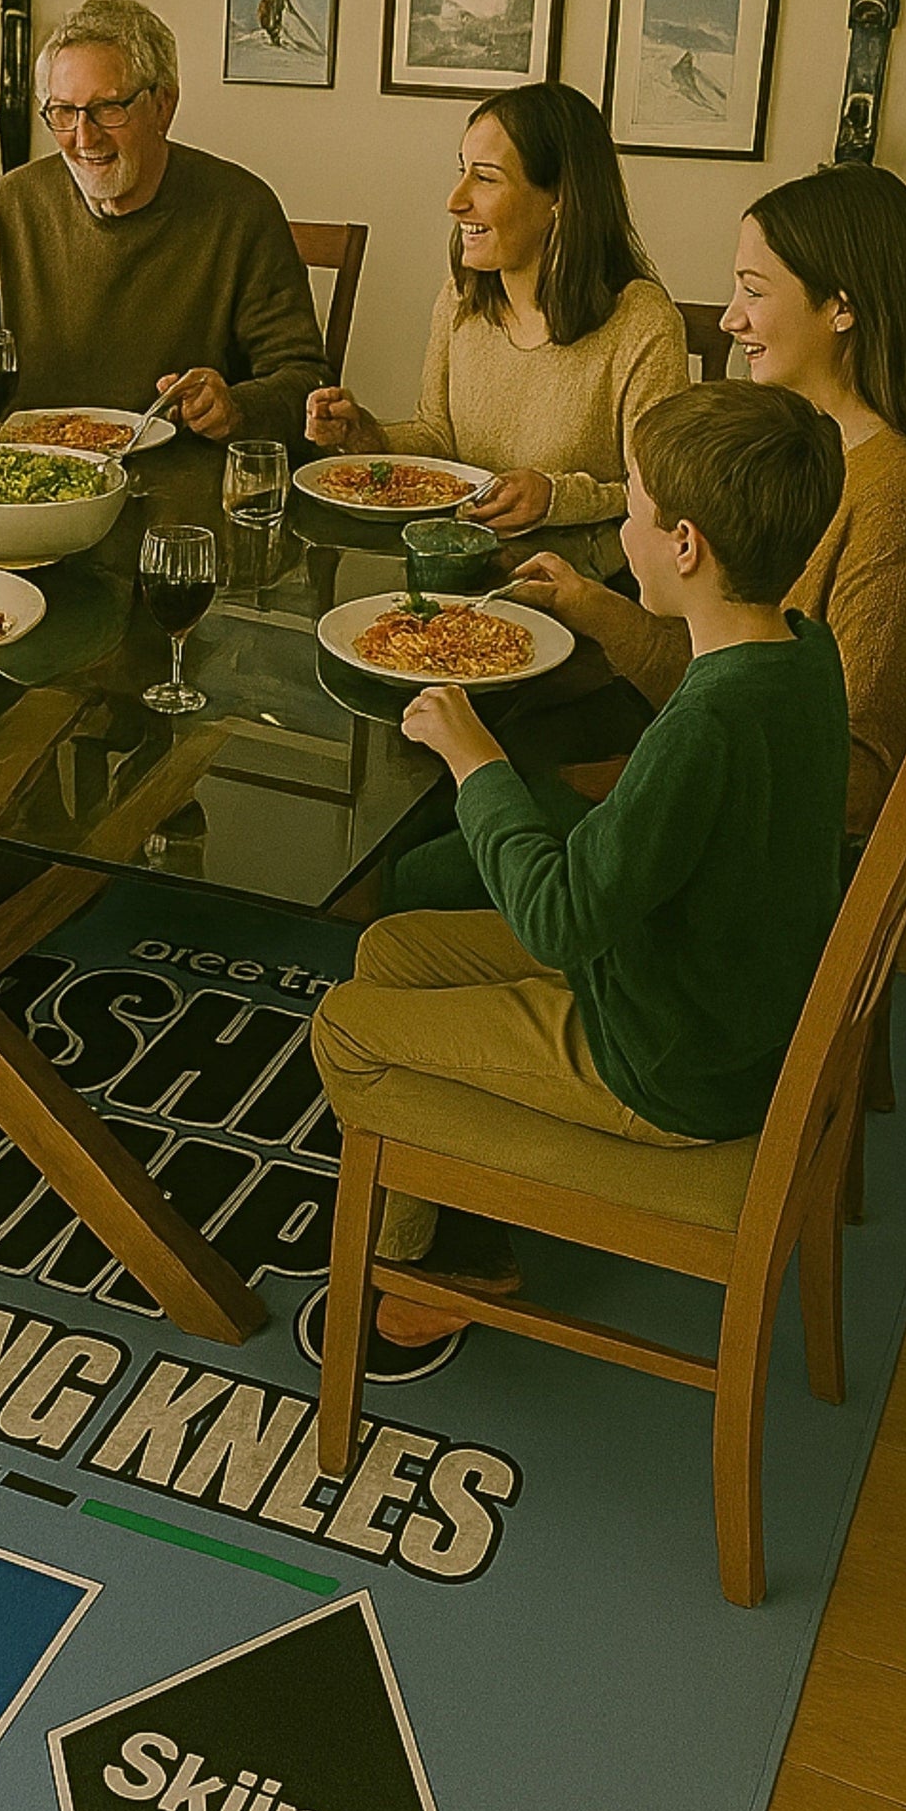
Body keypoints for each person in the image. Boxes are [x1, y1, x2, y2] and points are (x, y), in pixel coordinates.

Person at [313, 381, 849, 1345]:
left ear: (686, 545)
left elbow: (557, 918)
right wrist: (596, 603)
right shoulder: (801, 655)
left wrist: (474, 757)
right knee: (392, 949)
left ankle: (437, 1255)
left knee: (346, 1027)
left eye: (636, 508)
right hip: (701, 994)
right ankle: (437, 1212)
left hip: (665, 1061)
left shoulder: (704, 728)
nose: (627, 527)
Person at [511, 162, 906, 835]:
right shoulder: (825, 452)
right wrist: (590, 604)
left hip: (728, 846)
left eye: (754, 291)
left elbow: (854, 779)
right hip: (703, 770)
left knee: (469, 806)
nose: (732, 318)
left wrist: (641, 788)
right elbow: (735, 661)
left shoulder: (901, 500)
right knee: (503, 744)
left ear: (842, 307)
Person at [0, 0, 326, 446]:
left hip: (179, 485)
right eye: (63, 112)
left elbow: (304, 378)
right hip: (32, 477)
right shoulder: (15, 203)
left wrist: (236, 408)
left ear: (163, 105)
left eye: (108, 109)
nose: (84, 137)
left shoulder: (241, 210)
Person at [305, 81, 686, 565]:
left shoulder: (641, 322)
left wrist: (554, 498)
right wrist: (367, 438)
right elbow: (438, 441)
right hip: (462, 567)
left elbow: (659, 499)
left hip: (582, 585)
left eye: (485, 178)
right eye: (462, 172)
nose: (455, 200)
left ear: (559, 199)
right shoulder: (459, 300)